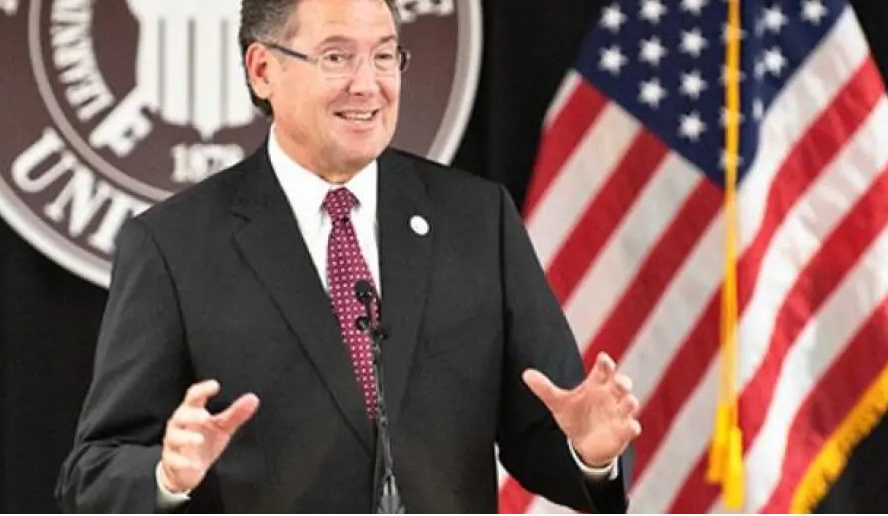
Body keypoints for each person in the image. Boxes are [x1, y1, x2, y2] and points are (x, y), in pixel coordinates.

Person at [56, 0, 641, 512]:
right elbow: (93, 473)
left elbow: (544, 431)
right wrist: (166, 475)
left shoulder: (477, 220)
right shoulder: (174, 245)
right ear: (263, 70)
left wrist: (590, 452)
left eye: (384, 56)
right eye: (336, 57)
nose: (367, 84)